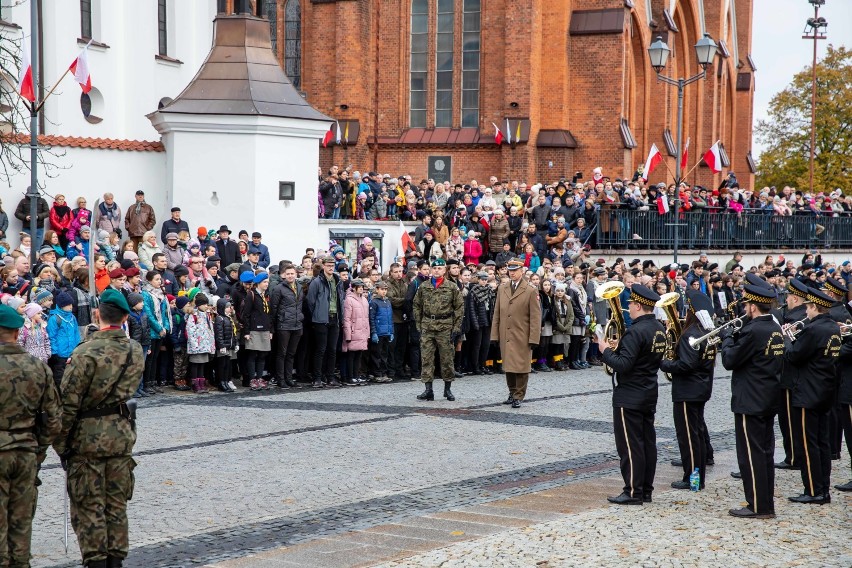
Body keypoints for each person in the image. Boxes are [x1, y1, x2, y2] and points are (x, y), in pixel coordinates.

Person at [53, 289, 144, 568]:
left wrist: (61, 445)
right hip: (121, 434)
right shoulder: (135, 350)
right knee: (116, 505)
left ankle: (95, 562)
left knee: (89, 506)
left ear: (97, 314)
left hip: (86, 439)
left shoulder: (85, 352)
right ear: (126, 317)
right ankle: (116, 561)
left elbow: (68, 404)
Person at [0, 303, 62, 568]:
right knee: (22, 518)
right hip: (26, 450)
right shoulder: (37, 367)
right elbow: (54, 416)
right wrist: (39, 449)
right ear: (17, 332)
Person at [596, 284, 666, 505]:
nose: (629, 309)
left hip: (630, 394)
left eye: (631, 305)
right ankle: (645, 490)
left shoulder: (636, 331)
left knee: (630, 445)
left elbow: (623, 365)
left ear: (637, 305)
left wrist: (605, 350)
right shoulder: (658, 328)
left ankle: (633, 491)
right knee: (647, 443)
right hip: (648, 391)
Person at [720, 284, 785, 519]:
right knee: (765, 452)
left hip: (750, 400)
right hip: (768, 396)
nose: (745, 308)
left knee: (751, 455)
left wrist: (727, 339)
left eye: (747, 305)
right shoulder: (774, 327)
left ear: (753, 306)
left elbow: (729, 360)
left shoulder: (754, 330)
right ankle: (765, 503)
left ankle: (758, 505)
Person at [785, 288, 841, 504]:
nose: (806, 311)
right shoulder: (832, 327)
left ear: (815, 307)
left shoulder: (814, 329)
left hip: (808, 392)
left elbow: (794, 356)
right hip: (825, 391)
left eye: (808, 307)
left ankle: (813, 490)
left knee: (808, 444)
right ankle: (823, 488)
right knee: (822, 442)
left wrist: (788, 340)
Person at [659, 290, 717, 491]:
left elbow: (686, 365)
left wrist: (665, 363)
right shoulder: (706, 332)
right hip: (701, 388)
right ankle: (697, 479)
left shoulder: (690, 335)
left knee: (688, 437)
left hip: (687, 391)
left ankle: (692, 479)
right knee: (697, 434)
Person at [491, 259, 541, 409]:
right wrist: (494, 334)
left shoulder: (531, 290)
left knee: (521, 366)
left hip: (522, 334)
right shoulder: (502, 288)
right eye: (510, 270)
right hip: (506, 333)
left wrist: (533, 338)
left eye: (515, 270)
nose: (512, 273)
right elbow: (497, 313)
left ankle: (519, 395)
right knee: (508, 366)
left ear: (522, 271)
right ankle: (512, 392)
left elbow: (535, 317)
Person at [413, 258, 464, 402]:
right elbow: (416, 305)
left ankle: (447, 389)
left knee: (447, 358)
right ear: (431, 270)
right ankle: (428, 390)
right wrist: (419, 323)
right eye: (434, 268)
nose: (436, 271)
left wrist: (456, 327)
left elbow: (459, 307)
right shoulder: (424, 286)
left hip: (445, 325)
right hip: (428, 325)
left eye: (439, 268)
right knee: (427, 358)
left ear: (444, 270)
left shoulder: (451, 287)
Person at [775, 279, 810, 470]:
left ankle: (794, 457)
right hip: (790, 375)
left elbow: (793, 350)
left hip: (789, 376)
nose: (786, 299)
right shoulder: (794, 314)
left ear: (795, 298)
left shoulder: (796, 319)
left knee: (789, 420)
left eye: (788, 296)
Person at [306, 256, 345, 388]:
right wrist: (317, 314)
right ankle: (317, 377)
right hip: (321, 319)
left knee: (332, 350)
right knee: (320, 349)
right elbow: (310, 302)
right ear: (323, 266)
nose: (330, 267)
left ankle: (330, 377)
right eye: (328, 265)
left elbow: (340, 299)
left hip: (335, 318)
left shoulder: (337, 280)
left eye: (332, 265)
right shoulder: (316, 282)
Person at [269, 263, 303, 389]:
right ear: (284, 275)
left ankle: (289, 378)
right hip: (284, 325)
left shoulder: (299, 287)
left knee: (291, 354)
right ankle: (280, 379)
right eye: (288, 274)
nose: (290, 276)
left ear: (296, 274)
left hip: (297, 324)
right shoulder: (279, 288)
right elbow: (274, 308)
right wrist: (273, 326)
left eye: (292, 273)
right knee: (281, 353)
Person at [341, 279, 370, 386]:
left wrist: (368, 333)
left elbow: (366, 318)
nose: (361, 289)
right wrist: (348, 334)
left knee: (359, 355)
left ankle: (356, 375)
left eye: (362, 287)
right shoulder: (349, 300)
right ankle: (350, 376)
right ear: (353, 287)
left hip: (362, 332)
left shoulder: (364, 300)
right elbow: (347, 319)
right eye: (359, 287)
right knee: (351, 355)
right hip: (353, 332)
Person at [368, 280, 393, 382]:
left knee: (384, 354)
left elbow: (390, 318)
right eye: (382, 289)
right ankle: (376, 373)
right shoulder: (374, 302)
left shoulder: (387, 302)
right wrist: (374, 332)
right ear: (377, 289)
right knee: (376, 354)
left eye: (385, 289)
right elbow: (372, 318)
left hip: (386, 332)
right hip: (378, 332)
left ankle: (383, 372)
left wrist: (391, 332)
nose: (384, 292)